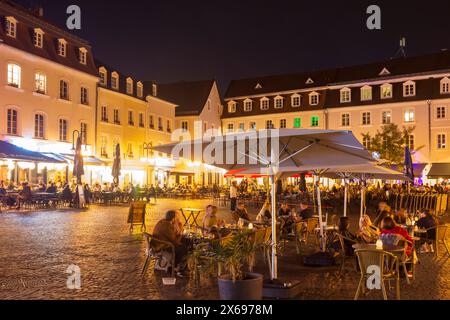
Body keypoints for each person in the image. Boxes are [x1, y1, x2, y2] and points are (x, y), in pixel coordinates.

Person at [152, 210, 189, 277]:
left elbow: (172, 236)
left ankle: (183, 267)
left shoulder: (163, 222)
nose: (179, 218)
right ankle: (174, 268)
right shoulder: (166, 225)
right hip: (161, 246)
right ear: (174, 218)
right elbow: (174, 242)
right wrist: (180, 232)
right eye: (178, 217)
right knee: (183, 248)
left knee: (186, 241)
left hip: (161, 243)